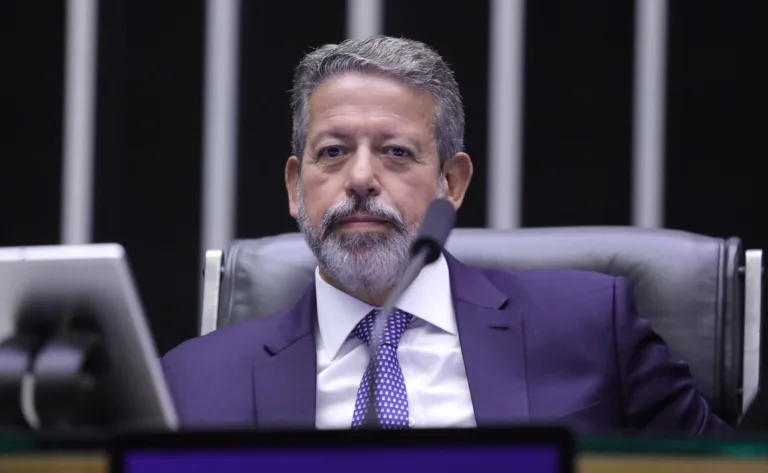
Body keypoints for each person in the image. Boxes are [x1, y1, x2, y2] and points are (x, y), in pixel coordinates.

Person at [161, 35, 729, 435]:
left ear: (451, 183)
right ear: (294, 186)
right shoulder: (193, 381)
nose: (360, 179)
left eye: (396, 152)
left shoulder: (590, 327)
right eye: (332, 152)